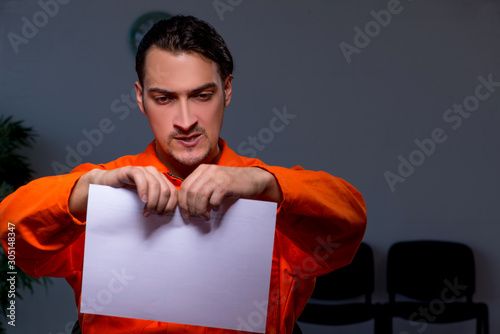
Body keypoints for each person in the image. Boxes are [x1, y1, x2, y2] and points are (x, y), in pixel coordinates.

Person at [0, 15, 367, 334]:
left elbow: (349, 223)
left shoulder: (269, 193)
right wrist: (91, 188)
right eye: (164, 98)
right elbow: (12, 236)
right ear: (140, 99)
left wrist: (264, 181)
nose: (186, 120)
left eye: (202, 95)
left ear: (227, 90)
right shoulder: (101, 188)